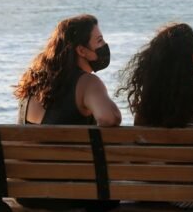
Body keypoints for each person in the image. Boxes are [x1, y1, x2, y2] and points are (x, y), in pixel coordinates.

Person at [14, 14, 122, 211]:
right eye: (99, 41)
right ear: (82, 50)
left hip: (28, 194)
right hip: (73, 195)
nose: (104, 45)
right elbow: (108, 118)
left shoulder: (32, 82)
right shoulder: (88, 82)